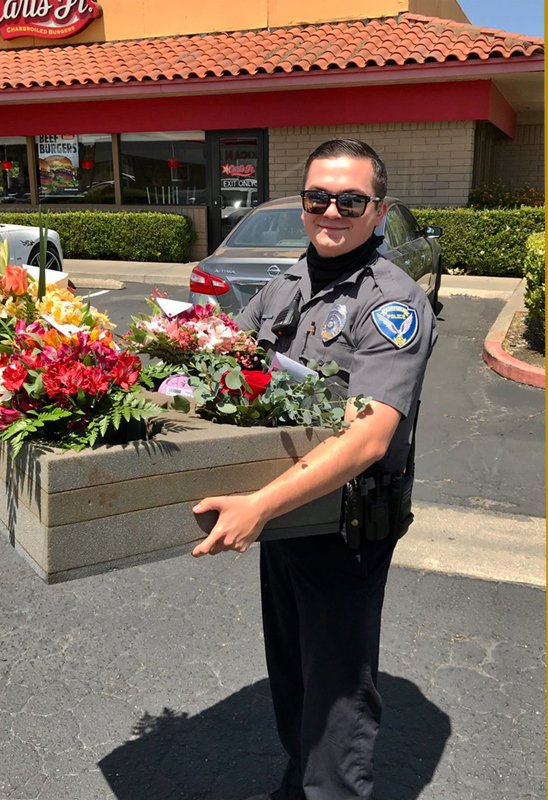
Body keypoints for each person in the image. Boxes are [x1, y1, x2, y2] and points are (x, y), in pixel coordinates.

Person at [191, 138, 437, 800]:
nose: (332, 211)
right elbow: (224, 363)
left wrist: (258, 507)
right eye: (318, 198)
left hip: (346, 525)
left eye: (351, 200)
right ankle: (297, 782)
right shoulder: (283, 288)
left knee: (337, 698)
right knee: (293, 672)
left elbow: (369, 437)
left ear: (378, 211)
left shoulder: (393, 302)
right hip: (283, 514)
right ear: (303, 205)